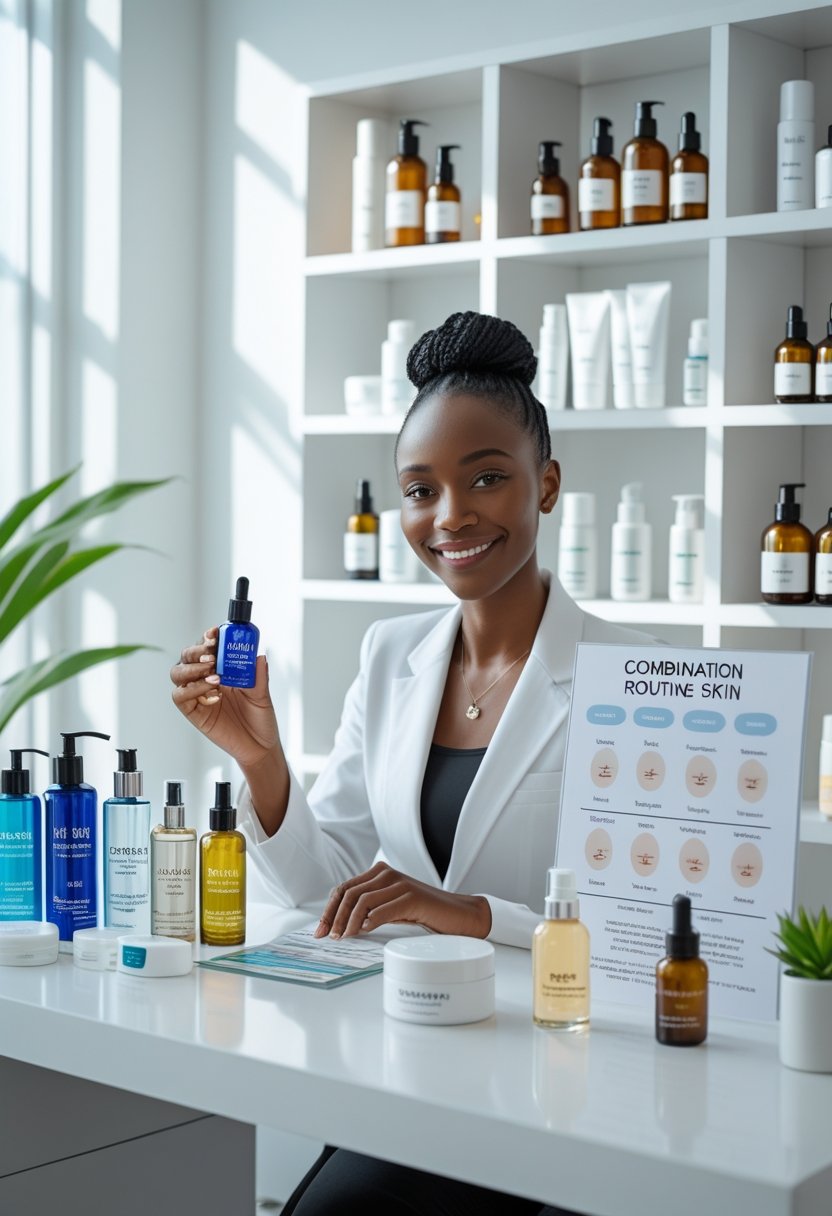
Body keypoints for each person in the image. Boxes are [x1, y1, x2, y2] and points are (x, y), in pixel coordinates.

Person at [171, 311, 648, 1215]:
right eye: (421, 489)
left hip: (579, 1094)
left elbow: (643, 940)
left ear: (546, 486)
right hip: (413, 1078)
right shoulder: (392, 656)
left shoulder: (639, 680)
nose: (451, 516)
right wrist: (264, 764)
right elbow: (331, 892)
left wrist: (467, 915)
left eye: (488, 480)